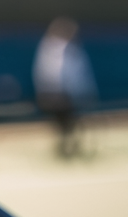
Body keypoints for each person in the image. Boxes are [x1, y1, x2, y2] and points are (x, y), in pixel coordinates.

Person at [33, 18, 97, 159]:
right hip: (60, 94)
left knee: (68, 123)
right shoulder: (58, 49)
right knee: (66, 123)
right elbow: (58, 73)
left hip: (60, 93)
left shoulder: (54, 48)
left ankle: (68, 148)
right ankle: (67, 148)